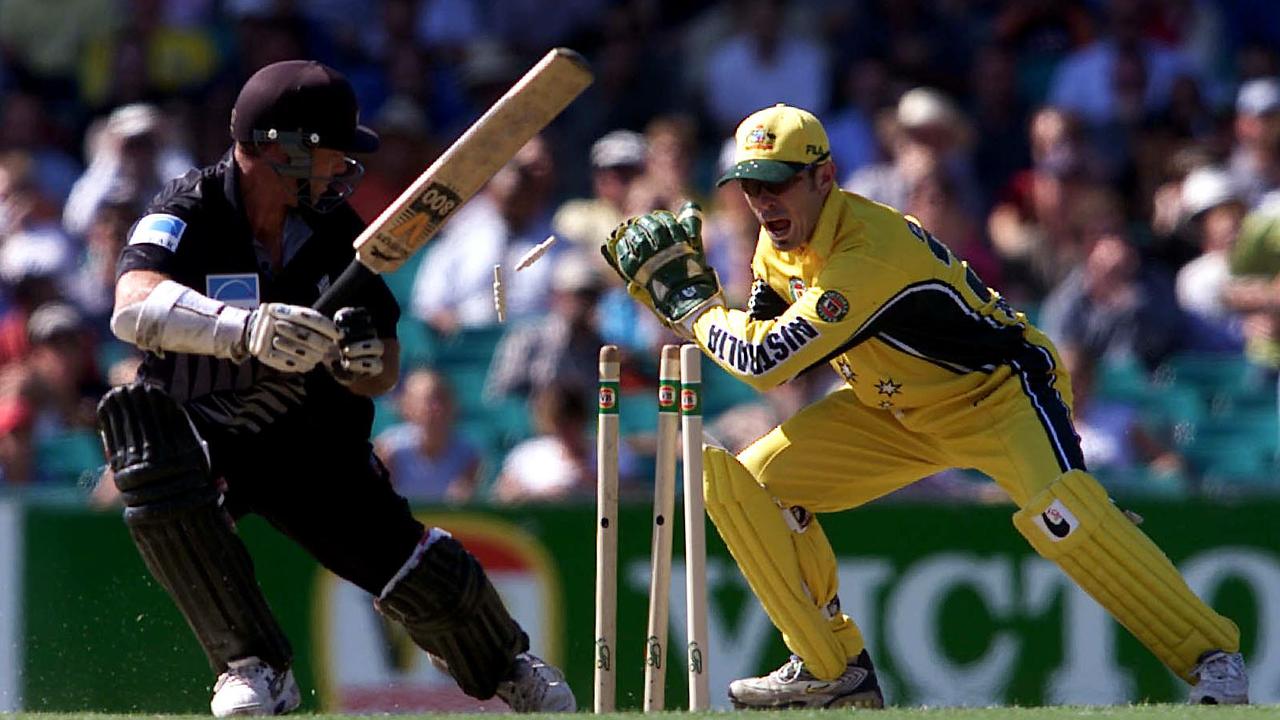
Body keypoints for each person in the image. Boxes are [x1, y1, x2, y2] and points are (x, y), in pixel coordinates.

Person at [600, 103, 1248, 708]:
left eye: (778, 182)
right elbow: (764, 334)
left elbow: (764, 363)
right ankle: (833, 669)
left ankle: (1213, 657)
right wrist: (716, 311)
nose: (764, 201)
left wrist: (695, 310)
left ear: (824, 177)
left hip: (997, 393)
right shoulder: (779, 244)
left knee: (1064, 517)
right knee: (740, 482)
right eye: (751, 186)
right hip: (891, 412)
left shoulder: (867, 255)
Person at [99, 60, 573, 716]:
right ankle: (253, 666)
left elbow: (387, 365)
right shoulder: (189, 209)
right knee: (143, 438)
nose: (343, 167)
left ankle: (506, 665)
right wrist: (246, 330)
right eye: (331, 153)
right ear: (280, 148)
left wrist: (359, 361)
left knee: (415, 574)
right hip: (209, 428)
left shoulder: (339, 233)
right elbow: (131, 306)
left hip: (310, 439)